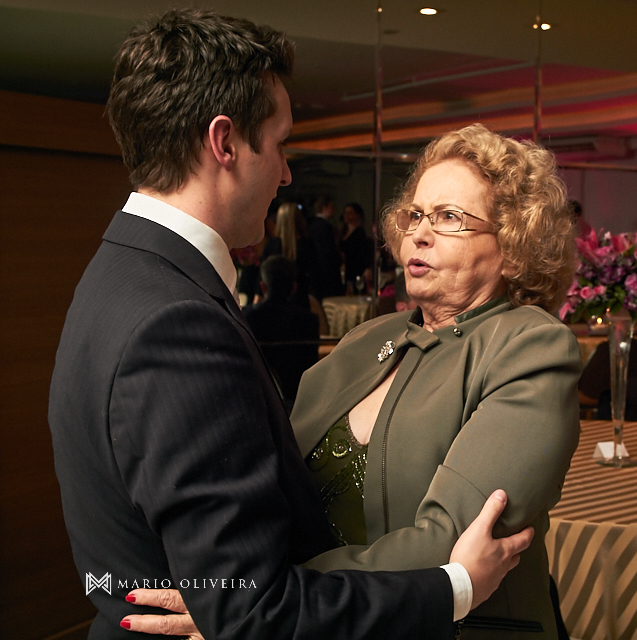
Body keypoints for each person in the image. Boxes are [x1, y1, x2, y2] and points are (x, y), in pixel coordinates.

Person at [46, 10, 531, 640]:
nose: (285, 172)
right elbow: (254, 611)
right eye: (278, 144)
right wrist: (455, 586)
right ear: (224, 143)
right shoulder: (178, 325)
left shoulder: (118, 270)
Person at [291, 123, 582, 638]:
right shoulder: (366, 339)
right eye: (415, 215)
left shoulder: (532, 345)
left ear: (513, 245)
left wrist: (271, 599)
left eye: (449, 217)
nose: (418, 234)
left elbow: (445, 545)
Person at [244, 256, 320, 408]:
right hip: (300, 405)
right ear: (293, 287)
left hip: (257, 402)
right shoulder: (309, 321)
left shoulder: (246, 318)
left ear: (263, 287)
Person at [262, 202, 323, 309]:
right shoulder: (306, 244)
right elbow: (315, 275)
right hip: (300, 298)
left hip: (274, 299)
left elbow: (262, 273)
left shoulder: (272, 244)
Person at [307, 194, 346, 298]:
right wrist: (339, 259)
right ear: (324, 208)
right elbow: (328, 252)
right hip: (328, 275)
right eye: (331, 207)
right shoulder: (325, 227)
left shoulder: (311, 226)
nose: (333, 210)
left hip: (316, 274)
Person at [340, 201, 374, 293]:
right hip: (345, 270)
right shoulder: (342, 232)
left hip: (356, 268)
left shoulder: (359, 233)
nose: (346, 215)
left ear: (357, 215)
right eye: (345, 213)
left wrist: (367, 268)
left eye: (350, 213)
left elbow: (365, 251)